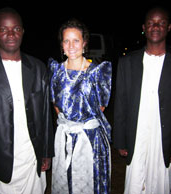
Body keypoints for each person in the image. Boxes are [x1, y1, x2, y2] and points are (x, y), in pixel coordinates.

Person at [0, 7, 54, 194]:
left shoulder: (37, 68)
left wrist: (46, 151)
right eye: (3, 29)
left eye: (16, 29)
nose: (11, 34)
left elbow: (46, 114)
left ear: (22, 31)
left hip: (31, 158)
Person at [113, 6, 171, 194]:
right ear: (144, 27)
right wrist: (121, 139)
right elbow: (121, 103)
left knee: (161, 184)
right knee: (134, 183)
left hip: (165, 136)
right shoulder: (128, 62)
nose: (155, 26)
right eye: (151, 23)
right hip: (137, 134)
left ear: (169, 27)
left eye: (161, 23)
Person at [49, 18, 112, 194]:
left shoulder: (97, 72)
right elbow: (56, 104)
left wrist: (81, 128)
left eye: (76, 40)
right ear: (61, 45)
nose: (71, 45)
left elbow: (100, 107)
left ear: (84, 43)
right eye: (66, 41)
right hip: (65, 137)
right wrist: (68, 126)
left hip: (90, 141)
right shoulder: (56, 71)